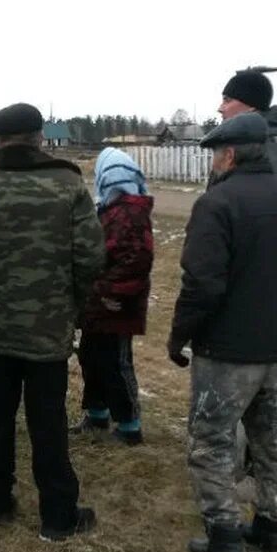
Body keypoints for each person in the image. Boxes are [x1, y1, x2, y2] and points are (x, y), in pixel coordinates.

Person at [168, 113, 277, 552]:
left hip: (226, 352)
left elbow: (202, 283)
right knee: (274, 442)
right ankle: (273, 530)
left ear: (229, 155)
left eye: (215, 155)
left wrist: (180, 335)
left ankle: (225, 540)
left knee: (212, 443)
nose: (213, 163)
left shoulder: (217, 204)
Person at [0, 103, 105, 541]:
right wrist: (73, 303)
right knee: (48, 422)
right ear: (40, 136)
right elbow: (91, 256)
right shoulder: (66, 183)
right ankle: (58, 515)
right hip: (47, 325)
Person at [72, 147, 154, 445]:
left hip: (118, 304)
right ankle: (97, 413)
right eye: (112, 177)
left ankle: (129, 425)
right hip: (99, 301)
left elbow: (137, 260)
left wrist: (110, 292)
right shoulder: (107, 209)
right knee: (92, 357)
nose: (117, 183)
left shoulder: (131, 211)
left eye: (123, 177)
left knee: (116, 363)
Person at [219, 69, 277, 187]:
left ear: (251, 106)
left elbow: (259, 198)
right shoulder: (251, 144)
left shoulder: (264, 149)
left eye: (227, 100)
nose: (220, 108)